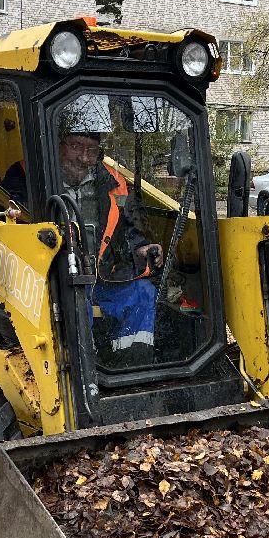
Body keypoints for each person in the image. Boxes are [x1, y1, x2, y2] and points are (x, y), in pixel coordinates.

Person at [57, 126, 162, 366]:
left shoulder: (114, 184)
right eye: (75, 147)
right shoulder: (29, 173)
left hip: (101, 277)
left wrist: (140, 247)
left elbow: (127, 228)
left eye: (91, 150)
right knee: (76, 298)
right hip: (54, 279)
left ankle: (131, 365)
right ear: (59, 146)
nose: (84, 158)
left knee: (143, 292)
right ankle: (82, 369)